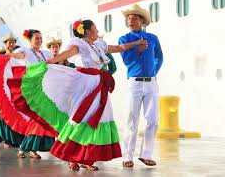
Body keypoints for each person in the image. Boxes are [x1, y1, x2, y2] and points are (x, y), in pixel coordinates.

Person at [11, 19, 146, 171]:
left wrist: (135, 43)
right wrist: (47, 63)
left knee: (99, 119)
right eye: (95, 28)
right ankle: (71, 157)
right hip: (86, 85)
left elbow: (119, 47)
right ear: (88, 31)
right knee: (83, 119)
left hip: (99, 84)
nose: (97, 31)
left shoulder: (99, 45)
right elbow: (64, 55)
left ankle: (88, 159)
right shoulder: (79, 45)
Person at [0, 29, 56, 158]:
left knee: (43, 119)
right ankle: (24, 147)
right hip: (32, 89)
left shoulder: (46, 54)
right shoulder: (25, 51)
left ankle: (32, 149)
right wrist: (6, 56)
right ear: (29, 39)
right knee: (39, 118)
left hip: (46, 88)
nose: (39, 41)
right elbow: (17, 57)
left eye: (41, 38)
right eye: (37, 38)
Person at [118, 4, 163, 167]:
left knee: (153, 120)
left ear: (142, 20)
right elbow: (126, 61)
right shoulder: (124, 39)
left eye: (134, 17)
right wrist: (138, 50)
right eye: (128, 18)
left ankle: (146, 154)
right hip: (134, 83)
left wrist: (153, 71)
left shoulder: (153, 38)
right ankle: (127, 157)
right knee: (132, 120)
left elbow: (159, 57)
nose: (131, 20)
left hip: (151, 83)